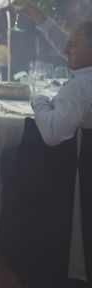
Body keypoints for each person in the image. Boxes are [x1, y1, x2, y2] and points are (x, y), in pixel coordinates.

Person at [31, 21, 92, 282]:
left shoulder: (81, 87)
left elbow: (53, 134)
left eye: (73, 44)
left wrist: (40, 102)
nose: (65, 49)